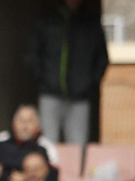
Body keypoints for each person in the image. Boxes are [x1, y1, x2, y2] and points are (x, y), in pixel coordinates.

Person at [25, 0, 108, 145]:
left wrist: (89, 84)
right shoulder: (47, 20)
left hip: (80, 96)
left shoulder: (89, 23)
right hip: (50, 93)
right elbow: (32, 55)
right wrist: (44, 80)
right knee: (47, 143)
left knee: (77, 144)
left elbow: (102, 58)